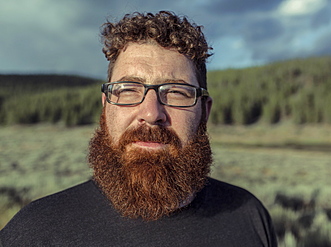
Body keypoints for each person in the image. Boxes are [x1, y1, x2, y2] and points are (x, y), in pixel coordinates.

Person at [0, 11, 277, 246]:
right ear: (106, 106)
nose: (151, 113)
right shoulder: (34, 232)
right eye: (129, 89)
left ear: (204, 112)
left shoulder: (249, 217)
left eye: (176, 92)